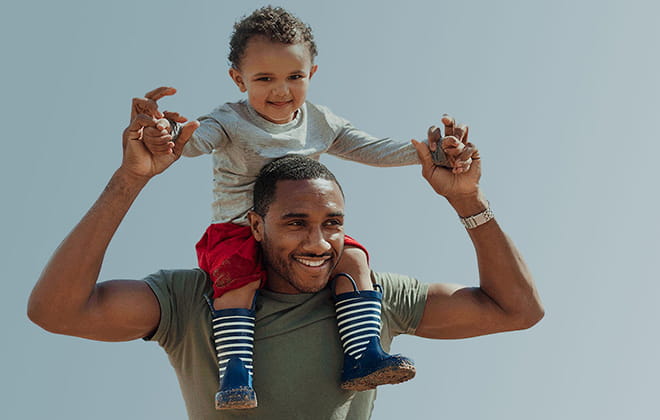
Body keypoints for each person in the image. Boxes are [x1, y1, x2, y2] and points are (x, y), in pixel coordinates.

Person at [27, 108, 543, 419]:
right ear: (255, 226)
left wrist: (467, 200)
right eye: (295, 223)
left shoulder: (369, 297)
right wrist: (131, 178)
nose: (319, 242)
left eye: (333, 223)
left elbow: (516, 309)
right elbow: (57, 311)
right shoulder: (191, 300)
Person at [132, 6, 471, 409]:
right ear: (238, 79)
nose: (280, 90)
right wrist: (164, 133)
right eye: (264, 79)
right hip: (238, 231)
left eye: (294, 76)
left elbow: (372, 148)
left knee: (355, 260)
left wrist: (429, 153)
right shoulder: (229, 120)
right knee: (237, 283)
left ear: (311, 74)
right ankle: (236, 373)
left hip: (298, 231)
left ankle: (363, 355)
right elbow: (194, 141)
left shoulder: (320, 122)